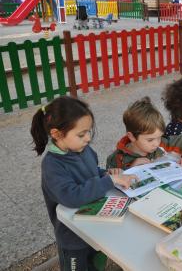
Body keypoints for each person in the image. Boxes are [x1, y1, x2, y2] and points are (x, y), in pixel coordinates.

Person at [30, 96, 137, 271]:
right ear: (56, 134)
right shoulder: (52, 165)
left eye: (89, 131)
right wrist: (108, 181)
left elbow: (92, 172)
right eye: (81, 134)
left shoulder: (83, 149)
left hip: (95, 227)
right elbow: (71, 196)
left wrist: (106, 173)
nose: (88, 138)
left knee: (95, 264)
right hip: (73, 237)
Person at [107, 96, 182, 169]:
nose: (156, 143)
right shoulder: (116, 160)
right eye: (150, 140)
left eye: (159, 137)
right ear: (132, 137)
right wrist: (130, 168)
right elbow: (110, 182)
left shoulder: (162, 143)